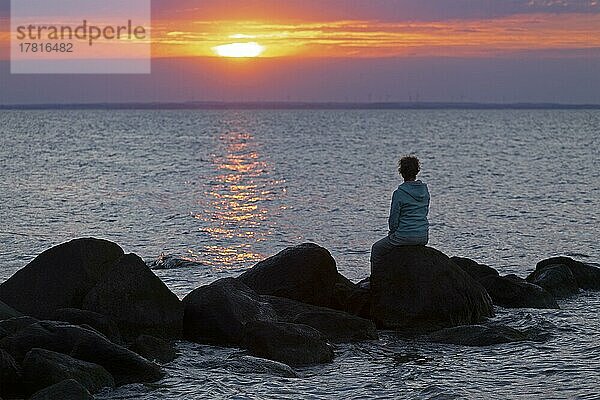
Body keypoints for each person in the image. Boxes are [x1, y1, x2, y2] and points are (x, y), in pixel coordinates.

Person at [370, 156, 430, 268]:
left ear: (401, 172)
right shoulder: (425, 191)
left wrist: (392, 233)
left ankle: (375, 280)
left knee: (376, 249)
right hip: (423, 236)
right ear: (417, 171)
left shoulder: (399, 193)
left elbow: (394, 219)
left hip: (404, 236)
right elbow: (424, 212)